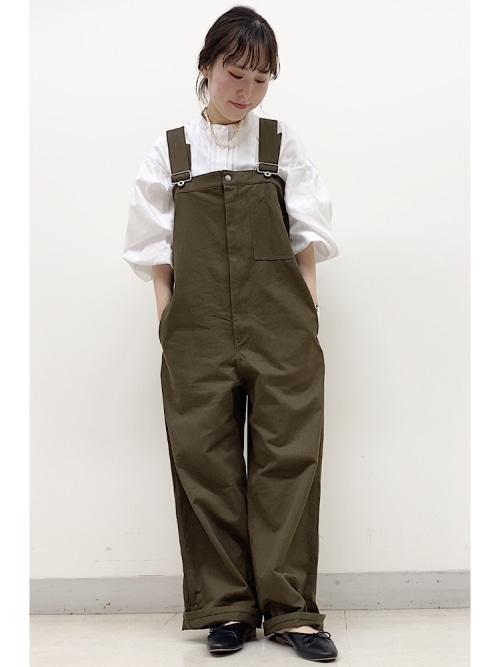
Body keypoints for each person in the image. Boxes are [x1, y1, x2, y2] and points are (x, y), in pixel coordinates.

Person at [123, 5, 339, 662]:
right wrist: (170, 320)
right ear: (206, 67)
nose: (246, 91)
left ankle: (292, 610)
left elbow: (307, 234)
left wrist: (305, 308)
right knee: (205, 461)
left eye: (260, 79)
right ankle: (227, 608)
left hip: (281, 322)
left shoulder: (279, 143)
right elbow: (152, 249)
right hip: (197, 327)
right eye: (234, 74)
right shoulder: (171, 150)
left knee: (288, 458)